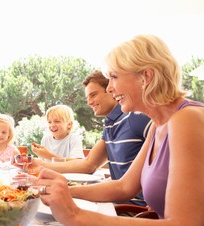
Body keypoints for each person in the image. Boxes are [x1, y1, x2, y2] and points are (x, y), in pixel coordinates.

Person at [35, 35, 204, 226]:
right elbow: (124, 187)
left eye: (113, 77)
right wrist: (62, 193)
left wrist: (75, 215)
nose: (111, 88)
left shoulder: (187, 119)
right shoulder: (158, 125)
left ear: (146, 76)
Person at [24, 70, 152, 206]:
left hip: (133, 209)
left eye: (94, 95)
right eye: (87, 98)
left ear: (111, 89)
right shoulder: (110, 124)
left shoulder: (135, 117)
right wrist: (42, 166)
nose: (90, 102)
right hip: (116, 203)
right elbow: (89, 164)